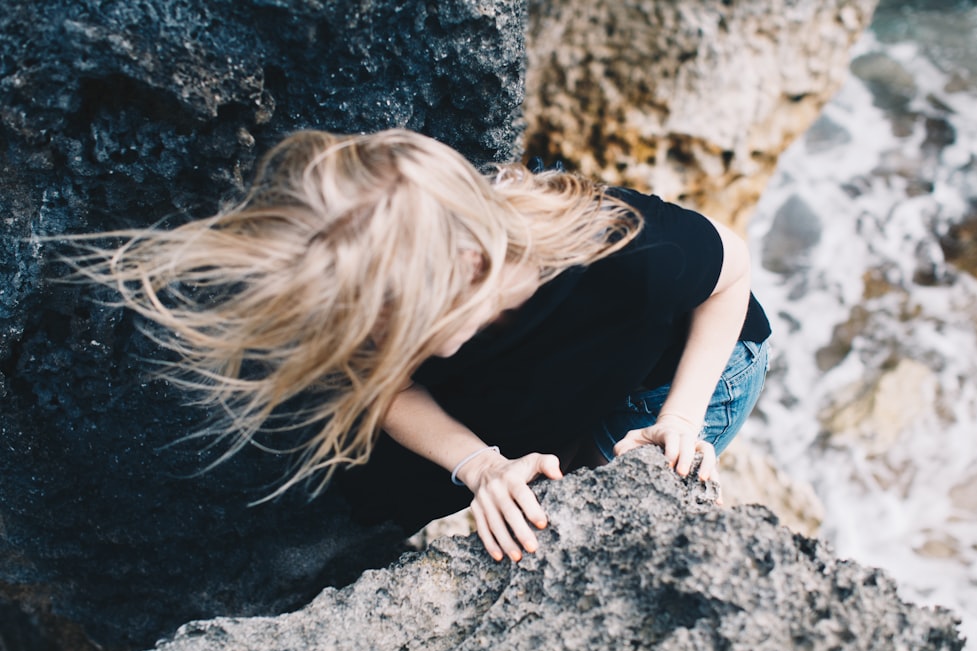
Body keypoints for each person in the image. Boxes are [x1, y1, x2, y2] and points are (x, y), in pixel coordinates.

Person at [71, 128, 770, 564]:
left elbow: (731, 273)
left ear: (469, 268)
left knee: (585, 504)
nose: (369, 350)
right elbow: (382, 385)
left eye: (385, 331)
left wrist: (680, 418)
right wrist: (482, 465)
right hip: (539, 354)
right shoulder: (412, 274)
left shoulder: (633, 256)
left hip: (674, 369)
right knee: (467, 474)